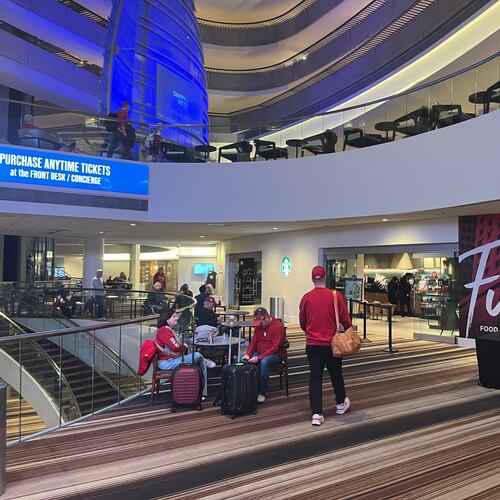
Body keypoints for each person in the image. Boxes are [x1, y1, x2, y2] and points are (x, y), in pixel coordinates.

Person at [299, 265, 352, 426]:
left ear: (312, 279)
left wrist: (311, 331)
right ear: (325, 277)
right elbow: (346, 320)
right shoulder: (335, 296)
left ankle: (316, 413)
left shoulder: (306, 298)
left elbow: (303, 322)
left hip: (313, 345)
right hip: (332, 344)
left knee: (315, 378)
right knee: (336, 374)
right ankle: (340, 404)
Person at [155, 307, 215, 398]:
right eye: (174, 316)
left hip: (167, 361)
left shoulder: (165, 330)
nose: (177, 318)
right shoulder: (165, 330)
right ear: (167, 319)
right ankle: (202, 392)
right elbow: (175, 347)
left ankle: (197, 390)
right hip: (167, 362)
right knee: (198, 357)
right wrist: (184, 346)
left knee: (198, 359)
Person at [241, 307, 285, 403]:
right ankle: (248, 389)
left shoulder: (278, 326)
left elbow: (275, 348)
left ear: (266, 318)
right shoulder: (259, 326)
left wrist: (259, 357)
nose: (259, 325)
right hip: (260, 352)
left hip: (275, 354)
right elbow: (253, 342)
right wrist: (248, 354)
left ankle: (262, 392)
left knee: (264, 362)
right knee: (242, 359)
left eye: (261, 323)